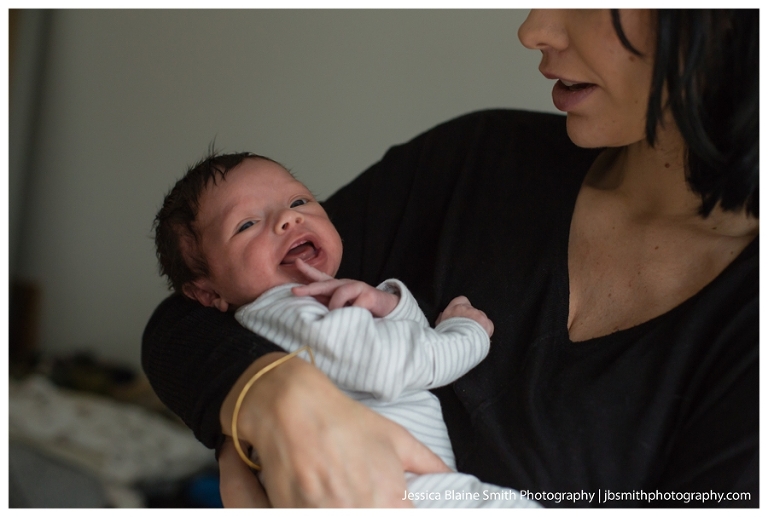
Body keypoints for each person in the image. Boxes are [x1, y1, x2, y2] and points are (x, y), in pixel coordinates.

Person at [142, 9, 758, 507]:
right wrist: (271, 401)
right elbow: (184, 325)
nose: (533, 29)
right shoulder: (476, 161)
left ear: (726, 20)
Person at [152, 153, 539, 508]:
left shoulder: (292, 318)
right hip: (396, 488)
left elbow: (387, 356)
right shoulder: (290, 308)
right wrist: (465, 334)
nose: (287, 218)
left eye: (298, 201)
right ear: (207, 292)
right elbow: (392, 365)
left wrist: (389, 306)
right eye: (247, 224)